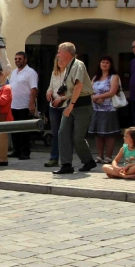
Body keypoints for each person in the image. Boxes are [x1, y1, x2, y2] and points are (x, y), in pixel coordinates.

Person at [53, 42, 95, 175]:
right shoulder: (67, 67)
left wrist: (71, 105)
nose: (58, 55)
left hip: (82, 105)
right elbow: (71, 90)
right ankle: (66, 164)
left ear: (66, 52)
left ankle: (88, 161)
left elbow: (78, 86)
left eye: (59, 52)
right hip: (71, 103)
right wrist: (63, 99)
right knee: (62, 133)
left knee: (78, 137)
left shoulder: (78, 64)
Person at [88, 55, 121, 163]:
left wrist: (99, 97)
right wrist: (94, 98)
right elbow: (90, 90)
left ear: (110, 65)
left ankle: (108, 156)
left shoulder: (114, 76)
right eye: (103, 62)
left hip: (109, 109)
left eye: (107, 62)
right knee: (98, 133)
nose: (104, 64)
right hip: (97, 109)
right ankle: (99, 156)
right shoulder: (95, 77)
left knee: (109, 134)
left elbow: (112, 91)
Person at [8, 51, 38, 160]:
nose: (17, 61)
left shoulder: (31, 73)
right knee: (14, 130)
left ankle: (25, 152)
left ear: (25, 60)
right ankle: (17, 150)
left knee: (24, 130)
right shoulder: (14, 72)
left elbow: (33, 90)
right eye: (16, 59)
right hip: (13, 105)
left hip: (24, 105)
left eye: (20, 59)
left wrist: (31, 104)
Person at [42, 56, 65, 168]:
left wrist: (61, 98)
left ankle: (66, 160)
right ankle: (54, 158)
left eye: (61, 60)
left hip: (65, 105)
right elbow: (51, 87)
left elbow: (72, 89)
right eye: (57, 60)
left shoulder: (69, 73)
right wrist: (48, 92)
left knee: (64, 133)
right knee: (55, 133)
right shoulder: (54, 73)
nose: (59, 62)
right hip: (53, 106)